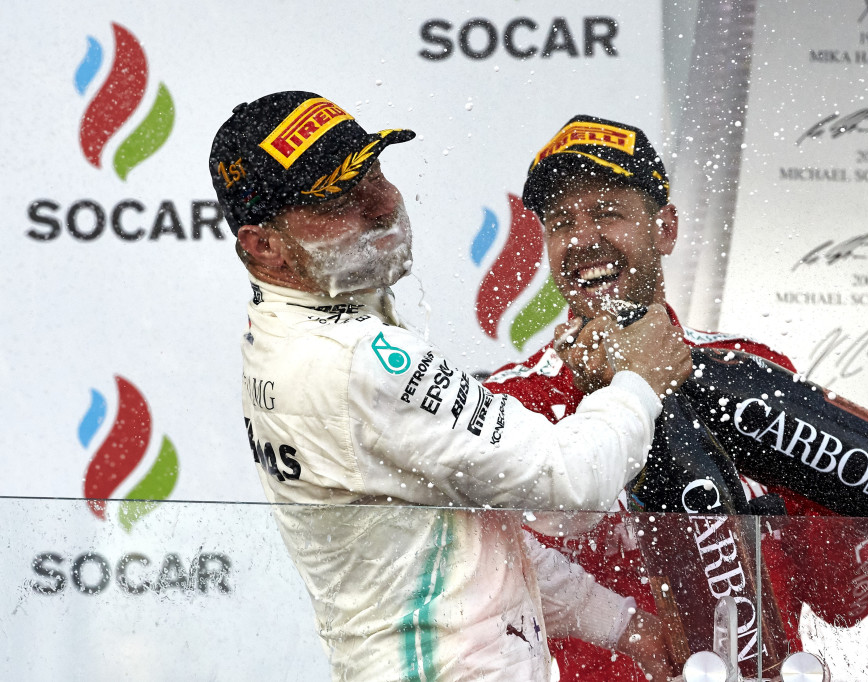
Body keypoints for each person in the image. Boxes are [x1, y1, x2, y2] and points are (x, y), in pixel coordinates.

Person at [209, 92, 691, 682]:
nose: (382, 203)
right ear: (264, 246)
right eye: (340, 198)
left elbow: (472, 538)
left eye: (374, 172)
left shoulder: (284, 337)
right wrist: (639, 379)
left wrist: (620, 624)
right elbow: (567, 488)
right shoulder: (356, 362)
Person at [484, 115, 868, 681]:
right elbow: (484, 606)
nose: (583, 238)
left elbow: (846, 603)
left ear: (666, 228)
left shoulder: (753, 376)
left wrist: (849, 504)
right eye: (561, 222)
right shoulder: (508, 406)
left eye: (608, 212)